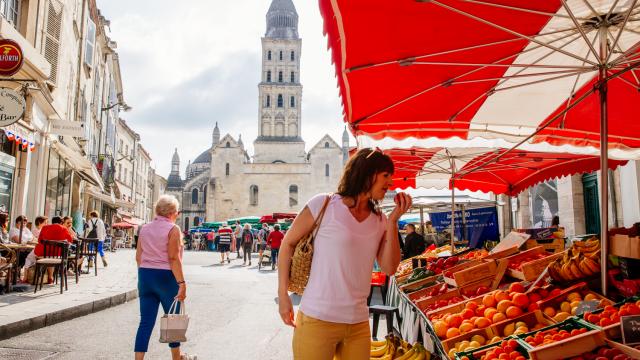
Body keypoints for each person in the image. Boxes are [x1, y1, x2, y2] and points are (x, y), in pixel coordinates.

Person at [277, 148, 412, 360]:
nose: (391, 183)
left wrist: (393, 222)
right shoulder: (324, 204)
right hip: (317, 319)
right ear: (367, 173)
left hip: (358, 323)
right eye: (386, 175)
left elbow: (389, 268)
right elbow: (287, 245)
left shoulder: (380, 221)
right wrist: (283, 295)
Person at [134, 195, 195, 360]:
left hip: (145, 275)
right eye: (177, 211)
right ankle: (177, 357)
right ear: (173, 212)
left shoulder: (144, 228)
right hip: (166, 277)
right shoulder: (173, 229)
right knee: (173, 319)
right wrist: (182, 283)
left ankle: (138, 359)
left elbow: (138, 256)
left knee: (145, 322)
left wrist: (145, 274)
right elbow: (174, 258)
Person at [23, 216, 73, 282]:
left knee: (28, 258)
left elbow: (39, 240)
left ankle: (25, 277)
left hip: (42, 252)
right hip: (57, 253)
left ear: (52, 222)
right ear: (61, 222)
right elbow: (70, 240)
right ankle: (50, 277)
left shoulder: (45, 227)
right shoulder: (64, 228)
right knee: (52, 258)